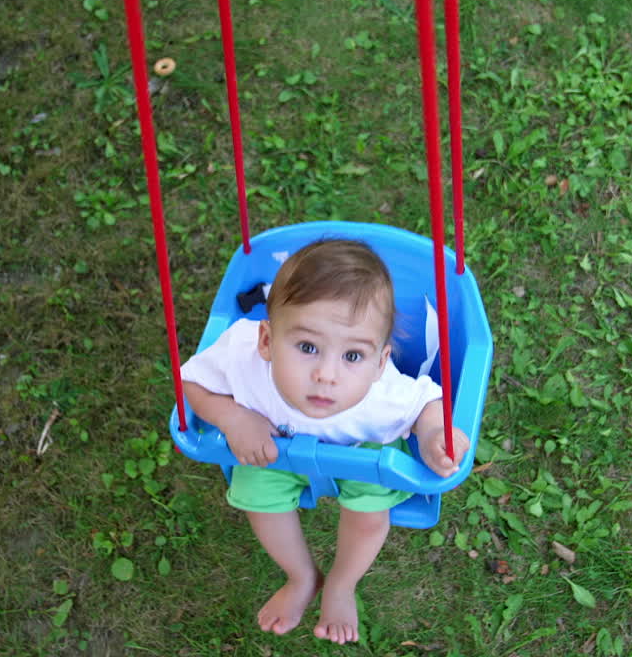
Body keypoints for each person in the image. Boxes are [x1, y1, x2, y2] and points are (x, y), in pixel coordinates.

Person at [181, 239, 469, 645]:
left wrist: (435, 434)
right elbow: (192, 380)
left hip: (359, 453)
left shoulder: (379, 395)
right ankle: (301, 576)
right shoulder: (244, 357)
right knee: (256, 498)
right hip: (275, 450)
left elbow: (426, 403)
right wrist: (233, 417)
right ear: (266, 341)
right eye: (307, 347)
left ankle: (341, 584)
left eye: (353, 356)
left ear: (380, 362)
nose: (327, 374)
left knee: (369, 516)